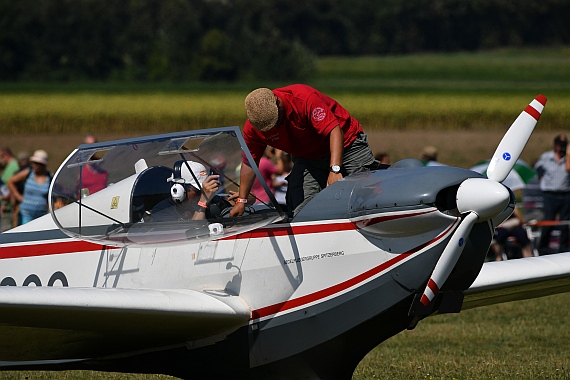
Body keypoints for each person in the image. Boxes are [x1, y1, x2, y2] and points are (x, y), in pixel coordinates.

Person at [230, 85, 376, 217]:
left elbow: (334, 131)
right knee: (300, 207)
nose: (273, 129)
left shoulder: (302, 98)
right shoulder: (254, 128)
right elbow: (249, 162)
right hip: (308, 157)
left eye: (275, 122)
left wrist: (335, 170)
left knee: (364, 198)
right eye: (267, 128)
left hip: (348, 145)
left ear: (277, 101)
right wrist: (242, 200)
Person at [534, 134, 570, 254]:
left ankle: (564, 247)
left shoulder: (568, 158)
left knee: (565, 222)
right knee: (549, 220)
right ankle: (543, 248)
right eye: (560, 146)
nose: (562, 148)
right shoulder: (546, 158)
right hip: (550, 194)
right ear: (555, 146)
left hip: (565, 194)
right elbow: (538, 171)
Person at [151, 161, 222, 222]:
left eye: (205, 191)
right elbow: (192, 234)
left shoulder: (210, 200)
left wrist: (232, 212)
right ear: (179, 189)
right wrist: (202, 204)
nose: (203, 194)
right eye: (198, 191)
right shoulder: (161, 212)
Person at [7, 150, 52, 225]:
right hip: (26, 213)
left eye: (36, 163)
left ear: (42, 165)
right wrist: (18, 196)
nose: (33, 165)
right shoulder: (29, 172)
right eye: (33, 163)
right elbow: (10, 181)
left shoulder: (49, 177)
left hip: (42, 214)